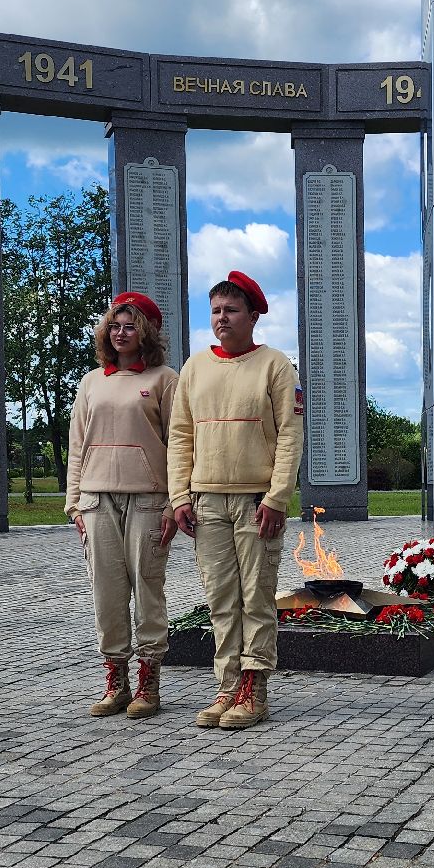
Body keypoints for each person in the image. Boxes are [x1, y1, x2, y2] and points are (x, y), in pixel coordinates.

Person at [168, 270, 302, 730]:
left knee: (256, 597)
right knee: (220, 599)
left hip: (255, 503)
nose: (221, 319)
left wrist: (278, 497)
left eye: (231, 310)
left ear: (253, 316)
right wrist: (179, 496)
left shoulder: (276, 366)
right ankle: (227, 686)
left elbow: (289, 436)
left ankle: (254, 687)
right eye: (216, 311)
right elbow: (180, 436)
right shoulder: (194, 368)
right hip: (206, 502)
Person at [67, 292, 180, 719]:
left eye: (129, 326)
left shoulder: (165, 379)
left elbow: (179, 445)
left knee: (147, 587)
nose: (120, 333)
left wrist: (174, 501)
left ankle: (149, 680)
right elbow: (78, 445)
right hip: (96, 498)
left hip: (150, 497)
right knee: (107, 593)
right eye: (114, 325)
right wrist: (74, 504)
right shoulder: (92, 381)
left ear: (146, 331)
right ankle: (116, 679)